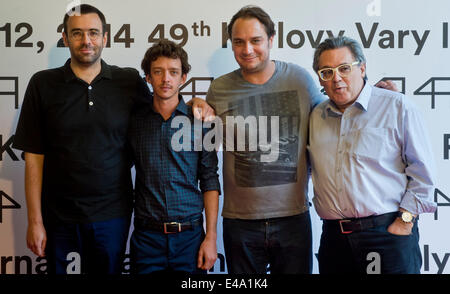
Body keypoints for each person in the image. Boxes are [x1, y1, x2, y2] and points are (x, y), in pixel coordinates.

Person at [12, 4, 211, 274]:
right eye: (78, 33)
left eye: (94, 33)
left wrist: (197, 102)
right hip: (58, 216)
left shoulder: (128, 81)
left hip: (113, 216)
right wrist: (35, 220)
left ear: (105, 38)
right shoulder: (42, 83)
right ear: (65, 37)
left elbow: (164, 102)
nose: (87, 41)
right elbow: (34, 156)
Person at [206, 5, 324, 274]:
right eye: (239, 42)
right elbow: (204, 147)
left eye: (255, 40)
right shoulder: (219, 88)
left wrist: (373, 95)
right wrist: (195, 104)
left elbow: (336, 115)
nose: (247, 49)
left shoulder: (299, 80)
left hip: (293, 219)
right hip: (240, 223)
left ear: (271, 40)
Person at [308, 36, 436, 274]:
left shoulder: (396, 106)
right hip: (334, 240)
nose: (336, 78)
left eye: (344, 68)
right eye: (327, 72)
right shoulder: (316, 116)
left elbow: (423, 174)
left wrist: (404, 223)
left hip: (386, 235)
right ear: (320, 78)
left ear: (362, 68)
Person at [128, 40, 220, 274]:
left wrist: (211, 237)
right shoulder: (134, 121)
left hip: (190, 238)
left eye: (173, 72)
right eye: (158, 72)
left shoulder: (201, 123)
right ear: (148, 77)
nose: (165, 79)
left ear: (183, 77)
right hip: (147, 238)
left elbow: (210, 180)